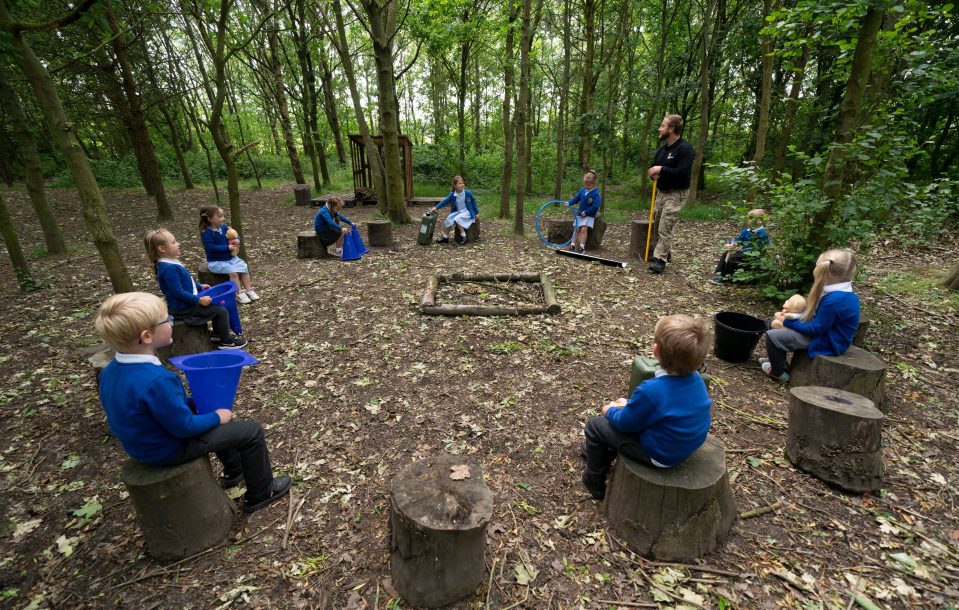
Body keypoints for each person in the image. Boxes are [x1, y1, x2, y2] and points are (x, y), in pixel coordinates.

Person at [94, 292, 291, 513]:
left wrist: (194, 405)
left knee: (213, 418)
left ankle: (235, 471)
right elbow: (184, 427)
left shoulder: (111, 371)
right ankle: (262, 492)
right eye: (166, 319)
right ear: (146, 336)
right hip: (167, 449)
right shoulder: (156, 380)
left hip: (142, 445)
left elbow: (149, 407)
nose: (170, 322)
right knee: (250, 432)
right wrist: (218, 416)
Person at [580, 314, 712, 500]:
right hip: (684, 446)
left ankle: (594, 480)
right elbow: (665, 409)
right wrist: (627, 406)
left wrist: (609, 410)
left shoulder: (652, 390)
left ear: (655, 350)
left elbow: (625, 424)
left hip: (659, 454)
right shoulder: (698, 381)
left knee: (595, 425)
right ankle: (602, 452)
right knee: (618, 417)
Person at [761, 249, 860, 383]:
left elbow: (816, 329)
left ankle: (778, 373)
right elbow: (820, 318)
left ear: (823, 271)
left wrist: (787, 322)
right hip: (823, 332)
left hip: (828, 341)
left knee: (773, 337)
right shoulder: (838, 290)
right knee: (772, 321)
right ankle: (777, 361)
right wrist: (793, 316)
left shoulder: (835, 300)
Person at [145, 229, 248, 350]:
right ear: (162, 249)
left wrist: (199, 286)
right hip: (182, 308)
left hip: (187, 302)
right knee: (221, 311)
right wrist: (197, 301)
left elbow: (185, 281)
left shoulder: (170, 263)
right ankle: (225, 342)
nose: (178, 244)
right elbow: (177, 292)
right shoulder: (169, 269)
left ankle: (217, 334)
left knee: (216, 307)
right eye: (173, 242)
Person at [647, 114, 695, 274]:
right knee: (656, 223)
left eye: (662, 125)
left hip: (677, 193)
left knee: (665, 226)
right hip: (661, 191)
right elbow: (654, 167)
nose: (660, 129)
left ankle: (660, 260)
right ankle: (665, 251)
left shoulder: (685, 149)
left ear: (672, 129)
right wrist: (653, 173)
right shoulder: (662, 149)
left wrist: (661, 170)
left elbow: (682, 172)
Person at [199, 205, 259, 304]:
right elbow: (210, 248)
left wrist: (237, 240)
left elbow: (234, 234)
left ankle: (249, 289)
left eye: (222, 216)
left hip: (230, 258)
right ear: (210, 219)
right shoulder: (206, 233)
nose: (223, 218)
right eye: (219, 216)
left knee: (244, 267)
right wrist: (227, 247)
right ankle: (239, 293)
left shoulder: (223, 227)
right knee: (233, 273)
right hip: (216, 262)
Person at [710, 208, 770, 284]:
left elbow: (758, 249)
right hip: (745, 252)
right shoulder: (746, 230)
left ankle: (727, 278)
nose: (748, 220)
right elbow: (738, 240)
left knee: (733, 258)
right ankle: (720, 274)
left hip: (753, 255)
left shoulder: (762, 233)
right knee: (725, 253)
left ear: (759, 221)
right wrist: (731, 244)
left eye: (751, 218)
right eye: (747, 218)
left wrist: (741, 251)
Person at [432, 176, 479, 245]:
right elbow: (445, 201)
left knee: (457, 219)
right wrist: (436, 207)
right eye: (459, 183)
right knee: (449, 218)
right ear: (455, 186)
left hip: (467, 211)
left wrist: (476, 213)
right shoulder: (453, 194)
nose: (462, 184)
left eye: (463, 183)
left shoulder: (467, 193)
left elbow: (473, 203)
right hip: (458, 211)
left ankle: (464, 236)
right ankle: (445, 237)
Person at [563, 170, 601, 253]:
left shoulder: (596, 193)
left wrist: (586, 212)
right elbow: (576, 199)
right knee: (577, 229)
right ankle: (572, 245)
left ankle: (582, 247)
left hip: (588, 215)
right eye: (585, 184)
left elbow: (595, 206)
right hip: (580, 214)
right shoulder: (582, 190)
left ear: (594, 184)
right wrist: (569, 203)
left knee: (583, 230)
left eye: (588, 185)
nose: (586, 186)